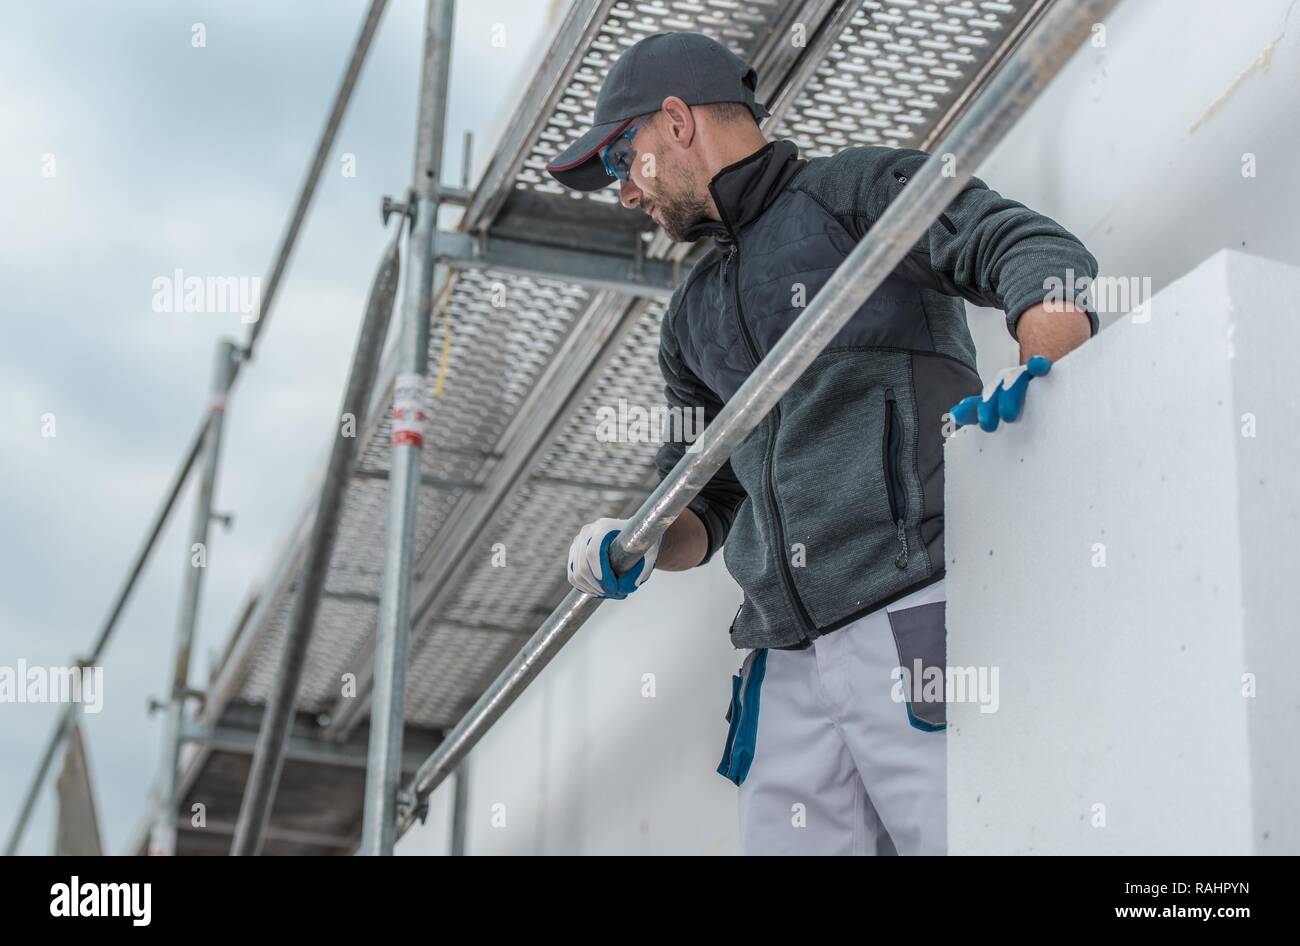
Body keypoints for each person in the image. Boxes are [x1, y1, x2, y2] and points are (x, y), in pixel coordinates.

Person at [546, 31, 1097, 855]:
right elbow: (708, 507)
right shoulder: (691, 315)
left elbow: (1024, 248)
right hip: (784, 659)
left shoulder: (856, 194)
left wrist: (1050, 364)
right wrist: (636, 542)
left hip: (907, 609)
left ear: (676, 121)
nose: (625, 191)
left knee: (974, 837)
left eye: (624, 159)